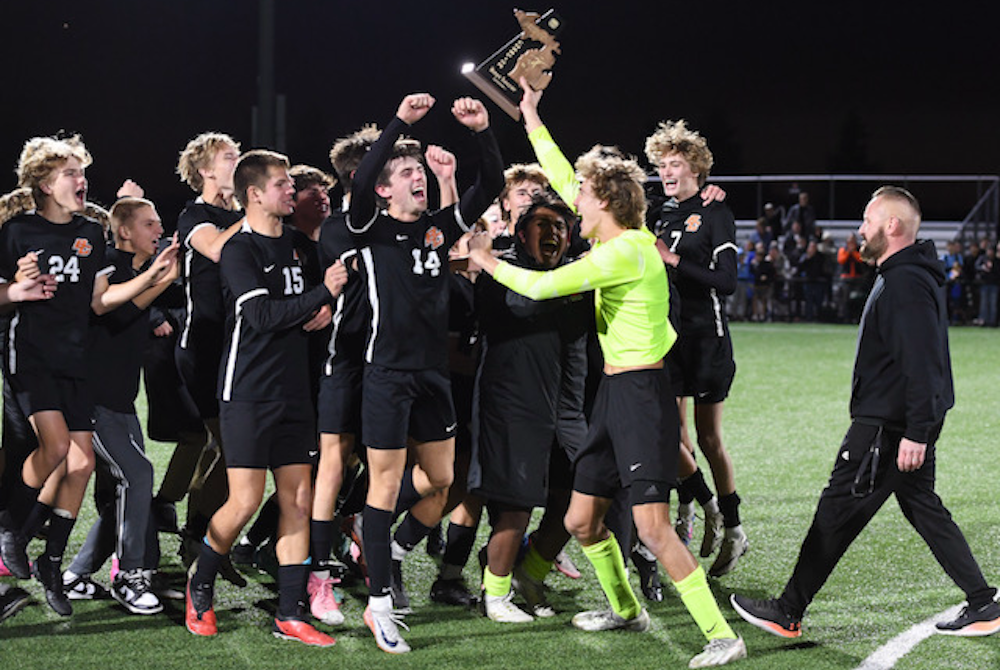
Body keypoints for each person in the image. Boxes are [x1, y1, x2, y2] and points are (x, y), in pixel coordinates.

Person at [468, 136, 746, 667]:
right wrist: (529, 115)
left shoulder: (625, 251)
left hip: (643, 398)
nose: (576, 203)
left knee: (652, 528)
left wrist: (485, 259)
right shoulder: (621, 238)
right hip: (615, 397)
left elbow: (543, 288)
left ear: (609, 204)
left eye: (584, 197)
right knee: (580, 520)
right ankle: (625, 609)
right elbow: (564, 174)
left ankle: (721, 635)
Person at [731, 186, 1000, 639]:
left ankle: (788, 609)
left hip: (888, 427)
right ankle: (983, 603)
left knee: (835, 513)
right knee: (923, 508)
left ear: (891, 226)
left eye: (867, 220)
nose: (860, 228)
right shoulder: (907, 273)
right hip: (899, 422)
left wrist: (916, 431)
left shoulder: (906, 281)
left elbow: (923, 362)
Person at [347, 93, 502, 653]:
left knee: (439, 481)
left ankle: (383, 545)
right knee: (387, 484)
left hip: (433, 375)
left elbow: (493, 183)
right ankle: (379, 605)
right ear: (386, 190)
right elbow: (362, 180)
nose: (417, 177)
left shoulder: (437, 230)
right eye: (405, 172)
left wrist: (482, 131)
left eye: (419, 170)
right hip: (386, 373)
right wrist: (400, 126)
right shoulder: (368, 224)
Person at [0, 135, 178, 616]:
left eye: (82, 172)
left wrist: (157, 275)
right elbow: (3, 293)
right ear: (43, 182)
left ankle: (54, 564)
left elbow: (102, 301)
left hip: (75, 362)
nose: (81, 180)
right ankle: (10, 532)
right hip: (32, 356)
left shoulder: (89, 233)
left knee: (79, 466)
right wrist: (16, 290)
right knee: (57, 450)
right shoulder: (17, 231)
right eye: (69, 173)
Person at [185, 150, 347, 645]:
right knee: (246, 500)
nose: (290, 191)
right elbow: (259, 317)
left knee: (297, 499)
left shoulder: (300, 244)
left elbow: (313, 306)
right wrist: (322, 294)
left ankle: (290, 613)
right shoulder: (240, 250)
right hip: (249, 392)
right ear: (254, 193)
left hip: (295, 391)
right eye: (281, 184)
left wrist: (322, 306)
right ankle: (201, 582)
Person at [469, 194, 589, 623]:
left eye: (560, 227)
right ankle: (496, 594)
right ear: (521, 234)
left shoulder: (573, 275)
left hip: (564, 410)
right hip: (513, 407)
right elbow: (526, 303)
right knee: (516, 507)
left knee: (582, 501)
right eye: (542, 225)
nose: (552, 234)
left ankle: (530, 572)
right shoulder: (498, 271)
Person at [63, 197, 180, 615]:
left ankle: (77, 574)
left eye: (159, 222)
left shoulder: (135, 271)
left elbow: (130, 311)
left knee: (127, 489)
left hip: (120, 399)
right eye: (149, 224)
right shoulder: (108, 260)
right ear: (125, 231)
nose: (158, 230)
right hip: (90, 398)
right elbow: (108, 310)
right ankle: (131, 576)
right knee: (139, 473)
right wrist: (157, 276)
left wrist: (162, 279)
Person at [645, 119, 748, 576]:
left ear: (697, 169)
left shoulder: (715, 213)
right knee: (672, 435)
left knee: (707, 437)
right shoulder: (658, 214)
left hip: (707, 338)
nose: (667, 171)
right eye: (662, 164)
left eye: (675, 164)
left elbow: (726, 282)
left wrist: (674, 260)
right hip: (667, 339)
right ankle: (689, 511)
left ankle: (734, 528)